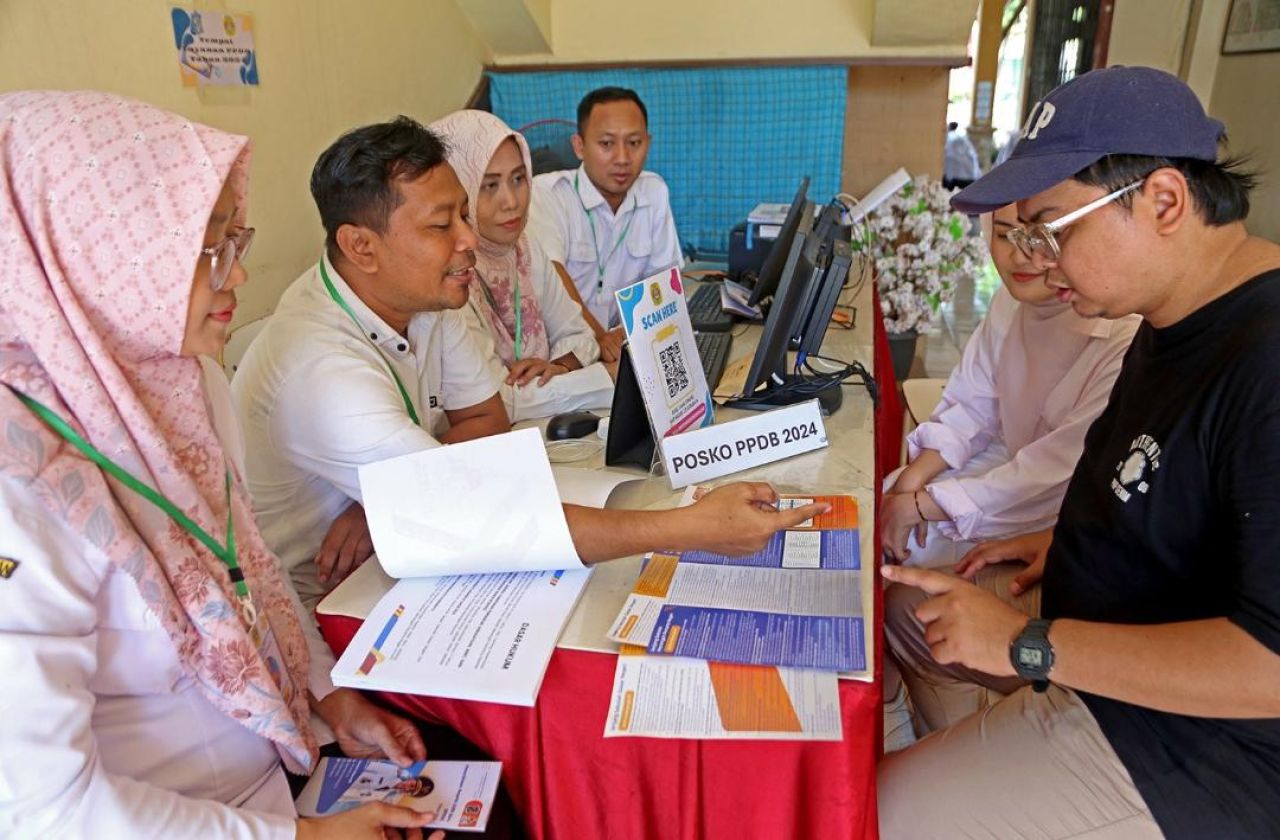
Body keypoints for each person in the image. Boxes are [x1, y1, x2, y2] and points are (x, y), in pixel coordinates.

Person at [0, 90, 446, 840]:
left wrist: (325, 695)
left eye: (233, 238)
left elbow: (245, 569)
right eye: (207, 249)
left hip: (270, 785)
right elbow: (45, 810)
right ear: (92, 255)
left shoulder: (184, 383)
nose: (237, 277)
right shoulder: (22, 484)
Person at [878, 66, 1280, 839]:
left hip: (1192, 746)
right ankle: (989, 768)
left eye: (1053, 227)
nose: (1038, 257)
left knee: (874, 813)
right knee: (907, 615)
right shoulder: (1167, 314)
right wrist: (1065, 541)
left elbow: (1268, 666)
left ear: (1163, 201)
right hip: (1098, 638)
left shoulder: (1262, 360)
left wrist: (1028, 646)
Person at [232, 115, 825, 608]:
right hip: (320, 607)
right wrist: (688, 528)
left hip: (398, 548)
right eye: (443, 224)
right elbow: (477, 506)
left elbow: (486, 419)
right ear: (360, 246)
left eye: (464, 213)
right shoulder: (321, 366)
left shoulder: (429, 293)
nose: (469, 238)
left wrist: (389, 493)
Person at [880, 202, 1139, 570]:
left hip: (1059, 504)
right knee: (883, 500)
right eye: (1004, 235)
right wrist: (912, 481)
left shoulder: (1123, 334)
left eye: (1040, 236)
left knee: (908, 544)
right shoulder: (1013, 298)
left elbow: (1053, 474)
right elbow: (973, 406)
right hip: (1009, 462)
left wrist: (924, 505)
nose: (1020, 256)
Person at [429, 109, 615, 422]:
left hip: (548, 428)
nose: (511, 201)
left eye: (518, 179)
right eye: (489, 186)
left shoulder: (523, 248)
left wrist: (559, 367)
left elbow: (579, 334)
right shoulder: (448, 273)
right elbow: (496, 399)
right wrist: (608, 380)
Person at [526, 87, 684, 362]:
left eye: (634, 143)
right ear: (579, 146)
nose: (622, 158)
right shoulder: (547, 194)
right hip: (562, 355)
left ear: (648, 142)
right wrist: (600, 337)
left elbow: (663, 285)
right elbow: (554, 276)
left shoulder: (654, 191)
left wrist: (632, 338)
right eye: (607, 144)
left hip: (623, 350)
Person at [943, 121, 983, 190]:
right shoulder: (963, 139)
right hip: (969, 178)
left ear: (949, 127)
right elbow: (973, 157)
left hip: (953, 178)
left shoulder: (948, 138)